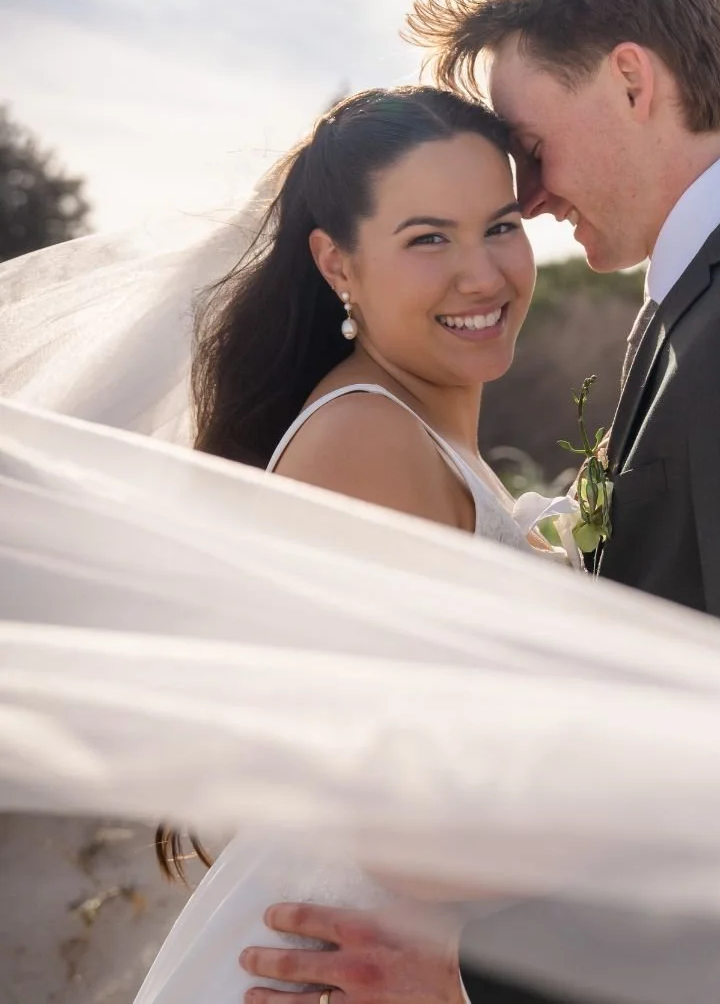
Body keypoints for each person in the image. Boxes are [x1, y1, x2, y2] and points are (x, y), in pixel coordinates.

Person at [243, 0, 720, 1004]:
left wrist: (473, 974)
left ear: (634, 82)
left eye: (528, 149)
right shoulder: (717, 305)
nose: (524, 199)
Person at [134, 84, 570, 1004]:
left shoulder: (419, 437)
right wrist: (672, 823)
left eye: (499, 225)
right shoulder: (366, 441)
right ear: (338, 264)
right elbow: (407, 840)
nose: (483, 274)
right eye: (427, 239)